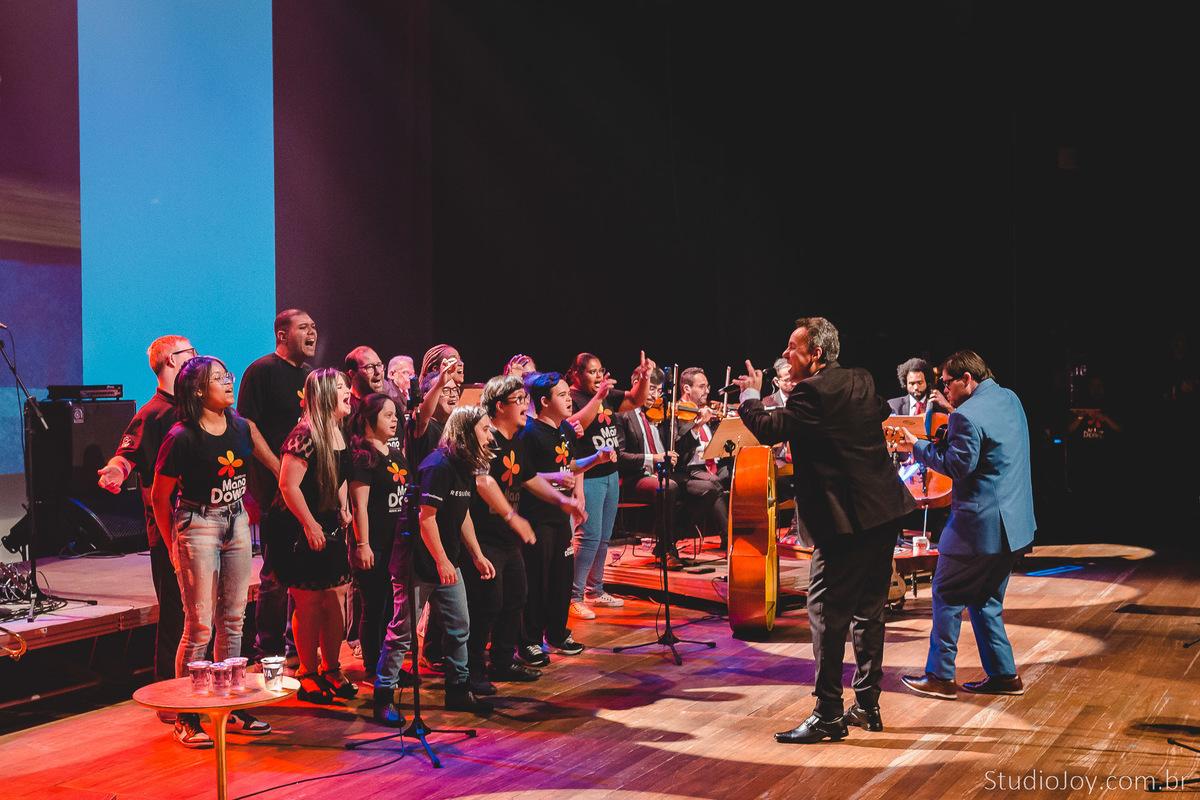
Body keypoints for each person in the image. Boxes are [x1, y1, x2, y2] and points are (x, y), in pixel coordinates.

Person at [735, 317, 915, 743]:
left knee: (825, 613)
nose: (784, 354)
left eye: (792, 348)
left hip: (846, 520)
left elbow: (766, 428)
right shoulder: (862, 379)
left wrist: (749, 394)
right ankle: (867, 705)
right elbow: (871, 418)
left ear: (815, 355)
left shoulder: (810, 392)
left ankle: (828, 713)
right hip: (883, 510)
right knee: (869, 610)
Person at [151, 356, 279, 747]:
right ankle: (187, 715)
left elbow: (274, 464)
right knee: (199, 625)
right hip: (198, 523)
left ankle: (229, 706)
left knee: (235, 619)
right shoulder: (181, 436)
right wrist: (174, 545)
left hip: (236, 521)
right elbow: (160, 497)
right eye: (220, 378)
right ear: (198, 390)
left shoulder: (241, 427)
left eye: (229, 375)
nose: (229, 382)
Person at [899, 350, 1036, 701]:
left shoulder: (968, 417)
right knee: (985, 599)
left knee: (945, 592)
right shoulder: (1009, 398)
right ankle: (1004, 675)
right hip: (1015, 528)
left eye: (946, 383)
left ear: (966, 380)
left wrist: (917, 447)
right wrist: (952, 414)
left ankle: (941, 676)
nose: (943, 390)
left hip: (979, 528)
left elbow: (959, 467)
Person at [466, 376, 582, 693]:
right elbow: (482, 481)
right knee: (486, 605)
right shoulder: (485, 437)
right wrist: (512, 516)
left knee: (516, 598)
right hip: (484, 536)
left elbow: (528, 478)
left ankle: (503, 662)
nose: (525, 404)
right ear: (500, 405)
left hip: (507, 538)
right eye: (518, 399)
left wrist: (563, 501)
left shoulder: (514, 437)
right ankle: (473, 672)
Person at [97, 335, 194, 692]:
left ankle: (202, 687)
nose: (196, 358)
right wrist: (115, 471)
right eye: (190, 353)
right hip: (169, 530)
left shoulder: (195, 408)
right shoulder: (152, 413)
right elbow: (127, 455)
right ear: (170, 360)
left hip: (204, 527)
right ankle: (169, 691)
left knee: (200, 614)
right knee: (176, 612)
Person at [271, 367, 357, 705]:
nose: (347, 391)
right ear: (323, 395)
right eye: (340, 387)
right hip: (298, 525)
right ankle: (307, 672)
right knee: (309, 601)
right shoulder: (303, 435)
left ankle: (332, 667)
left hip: (328, 522)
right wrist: (309, 524)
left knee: (335, 596)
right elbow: (287, 485)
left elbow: (339, 475)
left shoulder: (338, 431)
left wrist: (344, 506)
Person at [237, 309, 317, 663]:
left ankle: (296, 645)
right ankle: (267, 649)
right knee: (276, 570)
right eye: (304, 328)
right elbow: (247, 425)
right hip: (274, 484)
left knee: (303, 565)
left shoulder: (310, 375)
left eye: (313, 327)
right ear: (282, 335)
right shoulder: (262, 371)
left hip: (304, 484)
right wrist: (275, 467)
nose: (312, 333)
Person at [517, 372, 613, 664]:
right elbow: (523, 476)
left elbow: (568, 463)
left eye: (567, 394)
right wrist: (555, 477)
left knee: (561, 576)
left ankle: (557, 633)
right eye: (561, 395)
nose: (569, 399)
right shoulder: (529, 433)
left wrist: (594, 459)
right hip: (537, 517)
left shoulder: (565, 431)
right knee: (537, 579)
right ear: (544, 401)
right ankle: (529, 640)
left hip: (561, 516)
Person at [410, 405, 497, 713]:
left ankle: (458, 691)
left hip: (449, 562)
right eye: (485, 429)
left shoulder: (464, 466)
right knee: (400, 634)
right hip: (421, 564)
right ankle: (384, 691)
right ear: (466, 432)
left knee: (460, 625)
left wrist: (475, 554)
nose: (490, 435)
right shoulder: (438, 466)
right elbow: (426, 518)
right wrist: (442, 561)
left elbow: (461, 516)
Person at [565, 351, 655, 618]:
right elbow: (574, 424)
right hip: (588, 474)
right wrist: (598, 397)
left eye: (599, 370)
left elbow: (635, 399)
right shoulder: (571, 397)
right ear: (576, 374)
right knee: (588, 537)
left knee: (604, 538)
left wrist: (646, 378)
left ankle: (596, 589)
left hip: (610, 474)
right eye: (591, 371)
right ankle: (574, 595)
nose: (597, 376)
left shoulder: (604, 396)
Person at [348, 393, 407, 696]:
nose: (394, 419)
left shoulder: (395, 453)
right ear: (369, 420)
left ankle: (390, 666)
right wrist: (363, 544)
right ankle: (374, 667)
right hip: (375, 544)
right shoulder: (364, 456)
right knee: (374, 608)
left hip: (397, 544)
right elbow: (360, 506)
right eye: (387, 415)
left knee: (392, 610)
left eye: (395, 414)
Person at [614, 368, 684, 568]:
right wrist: (654, 458)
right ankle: (666, 549)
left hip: (655, 474)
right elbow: (620, 457)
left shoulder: (657, 415)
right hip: (630, 478)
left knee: (696, 487)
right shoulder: (622, 414)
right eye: (650, 389)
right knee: (668, 488)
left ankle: (667, 542)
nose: (654, 395)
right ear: (637, 383)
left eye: (658, 390)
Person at [670, 367, 730, 546]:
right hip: (687, 469)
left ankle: (745, 532)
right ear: (687, 389)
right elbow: (679, 449)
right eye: (702, 387)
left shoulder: (704, 411)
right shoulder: (677, 414)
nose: (707, 391)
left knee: (735, 476)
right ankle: (727, 538)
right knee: (713, 484)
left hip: (709, 466)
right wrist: (696, 426)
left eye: (707, 386)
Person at [344, 345, 387, 417]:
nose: (378, 372)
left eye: (379, 365)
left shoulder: (388, 404)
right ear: (352, 374)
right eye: (369, 367)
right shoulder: (346, 409)